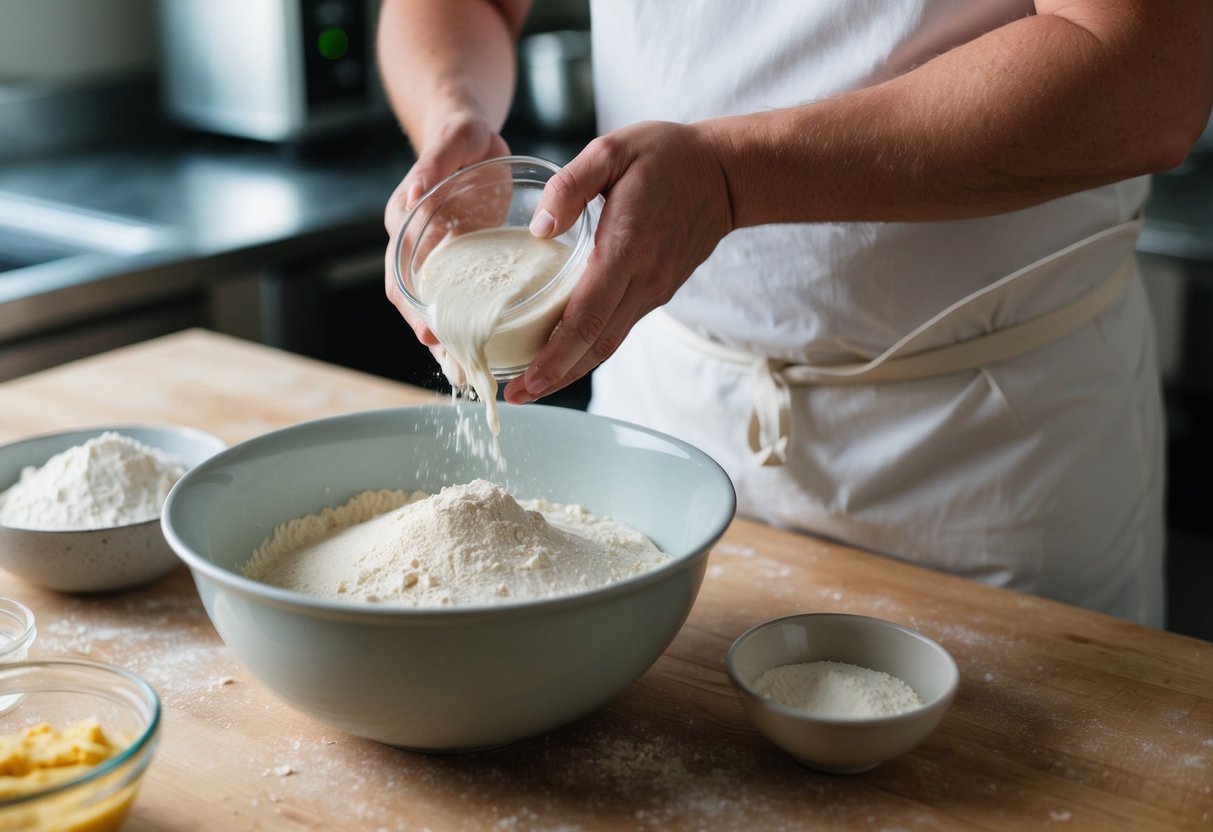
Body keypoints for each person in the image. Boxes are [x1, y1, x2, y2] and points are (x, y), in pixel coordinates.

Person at [378, 0, 1213, 627]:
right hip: (665, 418)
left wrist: (733, 178)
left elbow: (1143, 77)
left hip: (986, 457)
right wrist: (452, 110)